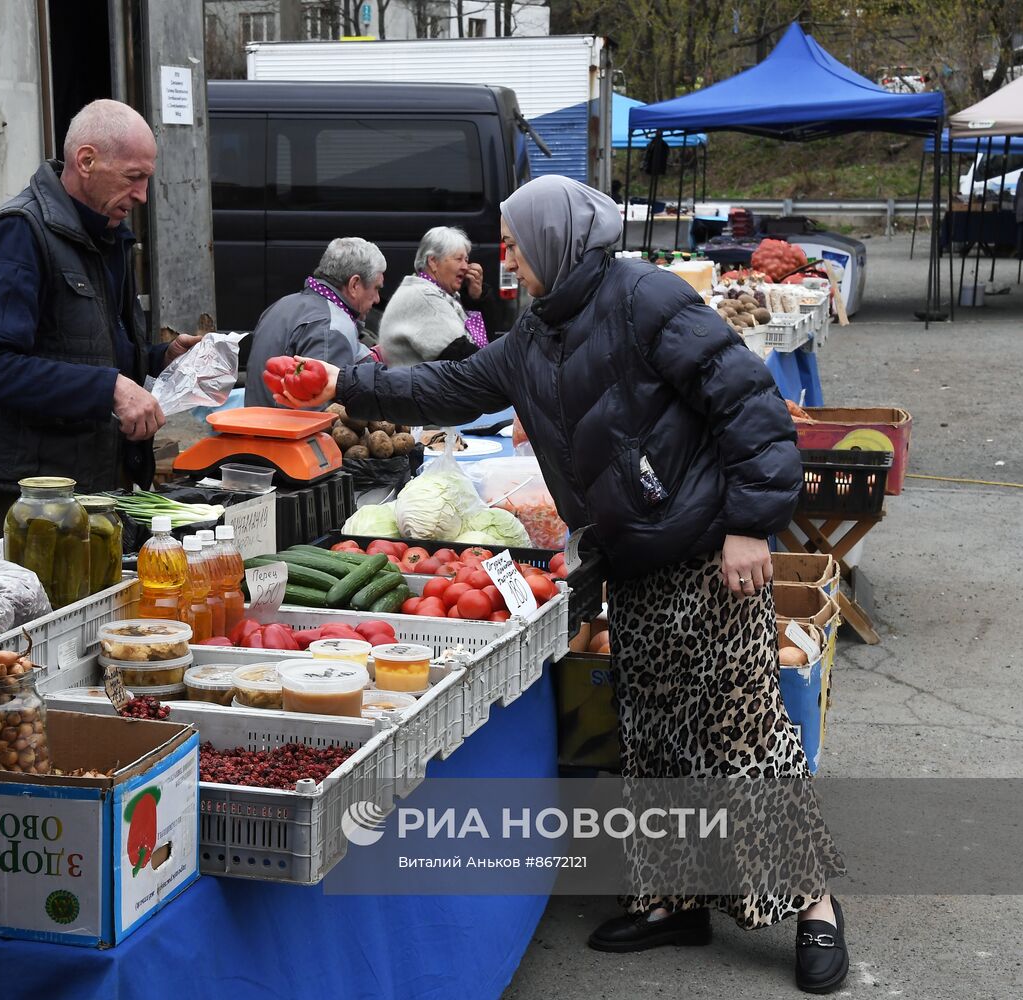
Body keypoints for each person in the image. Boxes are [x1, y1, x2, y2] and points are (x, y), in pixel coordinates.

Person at [270, 174, 849, 995]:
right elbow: (445, 386)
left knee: (737, 730)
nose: (503, 256)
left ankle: (814, 905)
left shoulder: (642, 297)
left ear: (555, 240)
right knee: (652, 731)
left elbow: (746, 402)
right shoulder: (539, 330)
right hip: (632, 554)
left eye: (512, 240)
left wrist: (750, 524)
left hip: (702, 546)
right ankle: (673, 899)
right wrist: (342, 385)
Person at [0, 99, 200, 525]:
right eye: (134, 177)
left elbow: (87, 352)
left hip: (76, 488)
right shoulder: (20, 231)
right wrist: (111, 388)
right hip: (18, 498)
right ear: (86, 160)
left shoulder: (108, 236)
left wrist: (158, 359)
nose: (143, 195)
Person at [242, 238, 384, 408]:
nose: (377, 299)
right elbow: (317, 415)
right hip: (290, 432)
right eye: (376, 288)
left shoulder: (281, 305)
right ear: (354, 285)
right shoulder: (332, 327)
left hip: (253, 428)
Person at [378, 226, 493, 366]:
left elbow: (484, 343)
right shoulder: (423, 297)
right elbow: (465, 358)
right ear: (433, 261)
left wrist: (476, 299)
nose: (465, 267)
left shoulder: (441, 293)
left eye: (466, 260)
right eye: (458, 259)